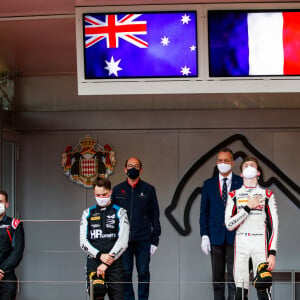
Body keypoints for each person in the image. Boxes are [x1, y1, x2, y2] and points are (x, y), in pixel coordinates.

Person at [225, 157, 279, 300]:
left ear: (258, 172)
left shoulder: (267, 195)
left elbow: (274, 226)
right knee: (240, 292)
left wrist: (272, 253)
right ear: (241, 174)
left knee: (263, 288)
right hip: (241, 243)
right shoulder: (233, 195)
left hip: (260, 243)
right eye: (246, 166)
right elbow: (229, 225)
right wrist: (248, 207)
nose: (249, 167)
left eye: (252, 165)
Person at [111, 157, 161, 300]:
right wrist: (114, 238)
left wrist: (155, 239)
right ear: (125, 169)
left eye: (136, 166)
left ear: (141, 169)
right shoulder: (117, 190)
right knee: (125, 272)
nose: (133, 168)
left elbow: (155, 215)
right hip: (123, 241)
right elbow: (112, 216)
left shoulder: (149, 189)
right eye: (130, 166)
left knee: (143, 272)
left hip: (144, 239)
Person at [200, 148, 243, 300]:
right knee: (217, 279)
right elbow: (203, 213)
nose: (222, 163)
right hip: (215, 237)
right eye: (220, 160)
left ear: (232, 162)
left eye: (226, 160)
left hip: (235, 237)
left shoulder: (241, 182)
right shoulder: (208, 184)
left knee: (234, 278)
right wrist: (204, 236)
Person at [80, 178, 129, 300]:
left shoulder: (121, 212)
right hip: (94, 262)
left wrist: (107, 261)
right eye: (98, 195)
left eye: (104, 194)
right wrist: (100, 256)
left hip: (115, 263)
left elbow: (123, 242)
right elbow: (83, 242)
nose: (101, 197)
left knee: (118, 297)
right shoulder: (87, 213)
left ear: (110, 192)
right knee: (96, 295)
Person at [0, 190, 25, 300]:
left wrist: (2, 270)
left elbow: (17, 252)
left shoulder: (14, 224)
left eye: (0, 201)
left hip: (7, 278)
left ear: (6, 204)